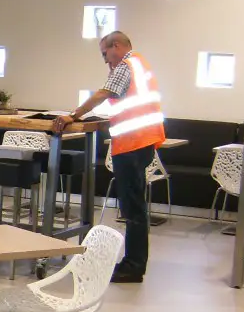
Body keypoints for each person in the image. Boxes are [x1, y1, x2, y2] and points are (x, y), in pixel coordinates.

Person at [53, 31, 165, 284]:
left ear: (116, 46)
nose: (105, 60)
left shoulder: (126, 65)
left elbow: (104, 93)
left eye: (105, 53)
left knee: (133, 209)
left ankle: (133, 266)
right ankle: (133, 263)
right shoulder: (140, 64)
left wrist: (74, 115)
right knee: (135, 207)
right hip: (143, 141)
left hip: (133, 143)